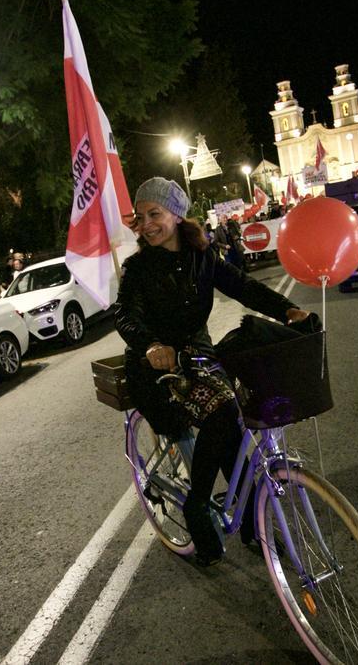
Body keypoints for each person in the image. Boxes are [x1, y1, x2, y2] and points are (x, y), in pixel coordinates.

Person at [114, 177, 309, 566]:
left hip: (198, 356)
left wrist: (287, 309)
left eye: (155, 214)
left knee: (233, 429)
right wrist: (151, 346)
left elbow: (243, 286)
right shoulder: (137, 268)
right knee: (221, 414)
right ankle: (197, 506)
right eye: (142, 216)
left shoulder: (202, 256)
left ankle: (254, 524)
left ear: (177, 214)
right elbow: (125, 315)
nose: (148, 223)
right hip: (154, 367)